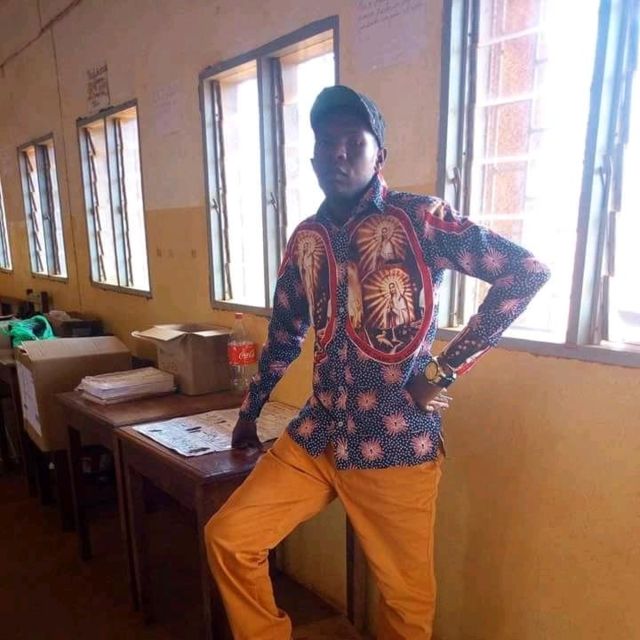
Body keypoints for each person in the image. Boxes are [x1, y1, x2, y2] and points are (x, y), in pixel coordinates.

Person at [205, 85, 550, 639]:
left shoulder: (422, 219)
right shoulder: (306, 239)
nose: (338, 154)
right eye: (326, 143)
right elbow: (286, 332)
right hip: (317, 433)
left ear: (379, 154)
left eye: (353, 142)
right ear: (313, 156)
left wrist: (440, 372)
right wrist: (250, 412)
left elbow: (526, 272)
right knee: (230, 537)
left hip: (394, 440)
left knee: (405, 603)